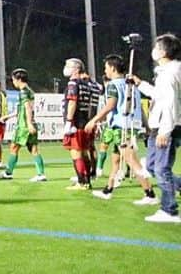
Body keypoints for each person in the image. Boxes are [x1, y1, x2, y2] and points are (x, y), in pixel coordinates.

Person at [86, 54, 154, 201]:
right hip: (130, 125)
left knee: (131, 160)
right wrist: (146, 125)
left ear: (112, 67)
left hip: (121, 127)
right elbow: (140, 109)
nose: (105, 71)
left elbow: (110, 106)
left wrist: (94, 120)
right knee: (116, 159)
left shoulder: (113, 85)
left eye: (106, 67)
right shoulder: (132, 85)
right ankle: (108, 189)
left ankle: (149, 193)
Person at [130, 33, 181, 223]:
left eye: (157, 47)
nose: (154, 50)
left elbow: (169, 103)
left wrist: (165, 131)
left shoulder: (170, 73)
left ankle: (169, 210)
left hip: (165, 125)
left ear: (164, 51)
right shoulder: (167, 72)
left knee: (161, 169)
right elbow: (158, 96)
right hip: (160, 124)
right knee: (152, 167)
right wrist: (140, 83)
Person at [0, 68, 47, 181]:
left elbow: (28, 107)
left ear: (18, 79)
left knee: (14, 147)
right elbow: (23, 108)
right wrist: (8, 116)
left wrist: (28, 123)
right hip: (29, 123)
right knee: (33, 149)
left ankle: (8, 172)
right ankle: (41, 174)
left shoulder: (24, 91)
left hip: (24, 125)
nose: (13, 82)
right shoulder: (29, 90)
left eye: (13, 79)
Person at [61, 58, 95, 190]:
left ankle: (82, 182)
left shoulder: (73, 84)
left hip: (76, 123)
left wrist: (69, 121)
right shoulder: (85, 84)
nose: (66, 68)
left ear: (76, 69)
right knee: (84, 152)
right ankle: (87, 180)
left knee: (76, 152)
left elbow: (72, 102)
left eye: (68, 66)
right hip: (84, 121)